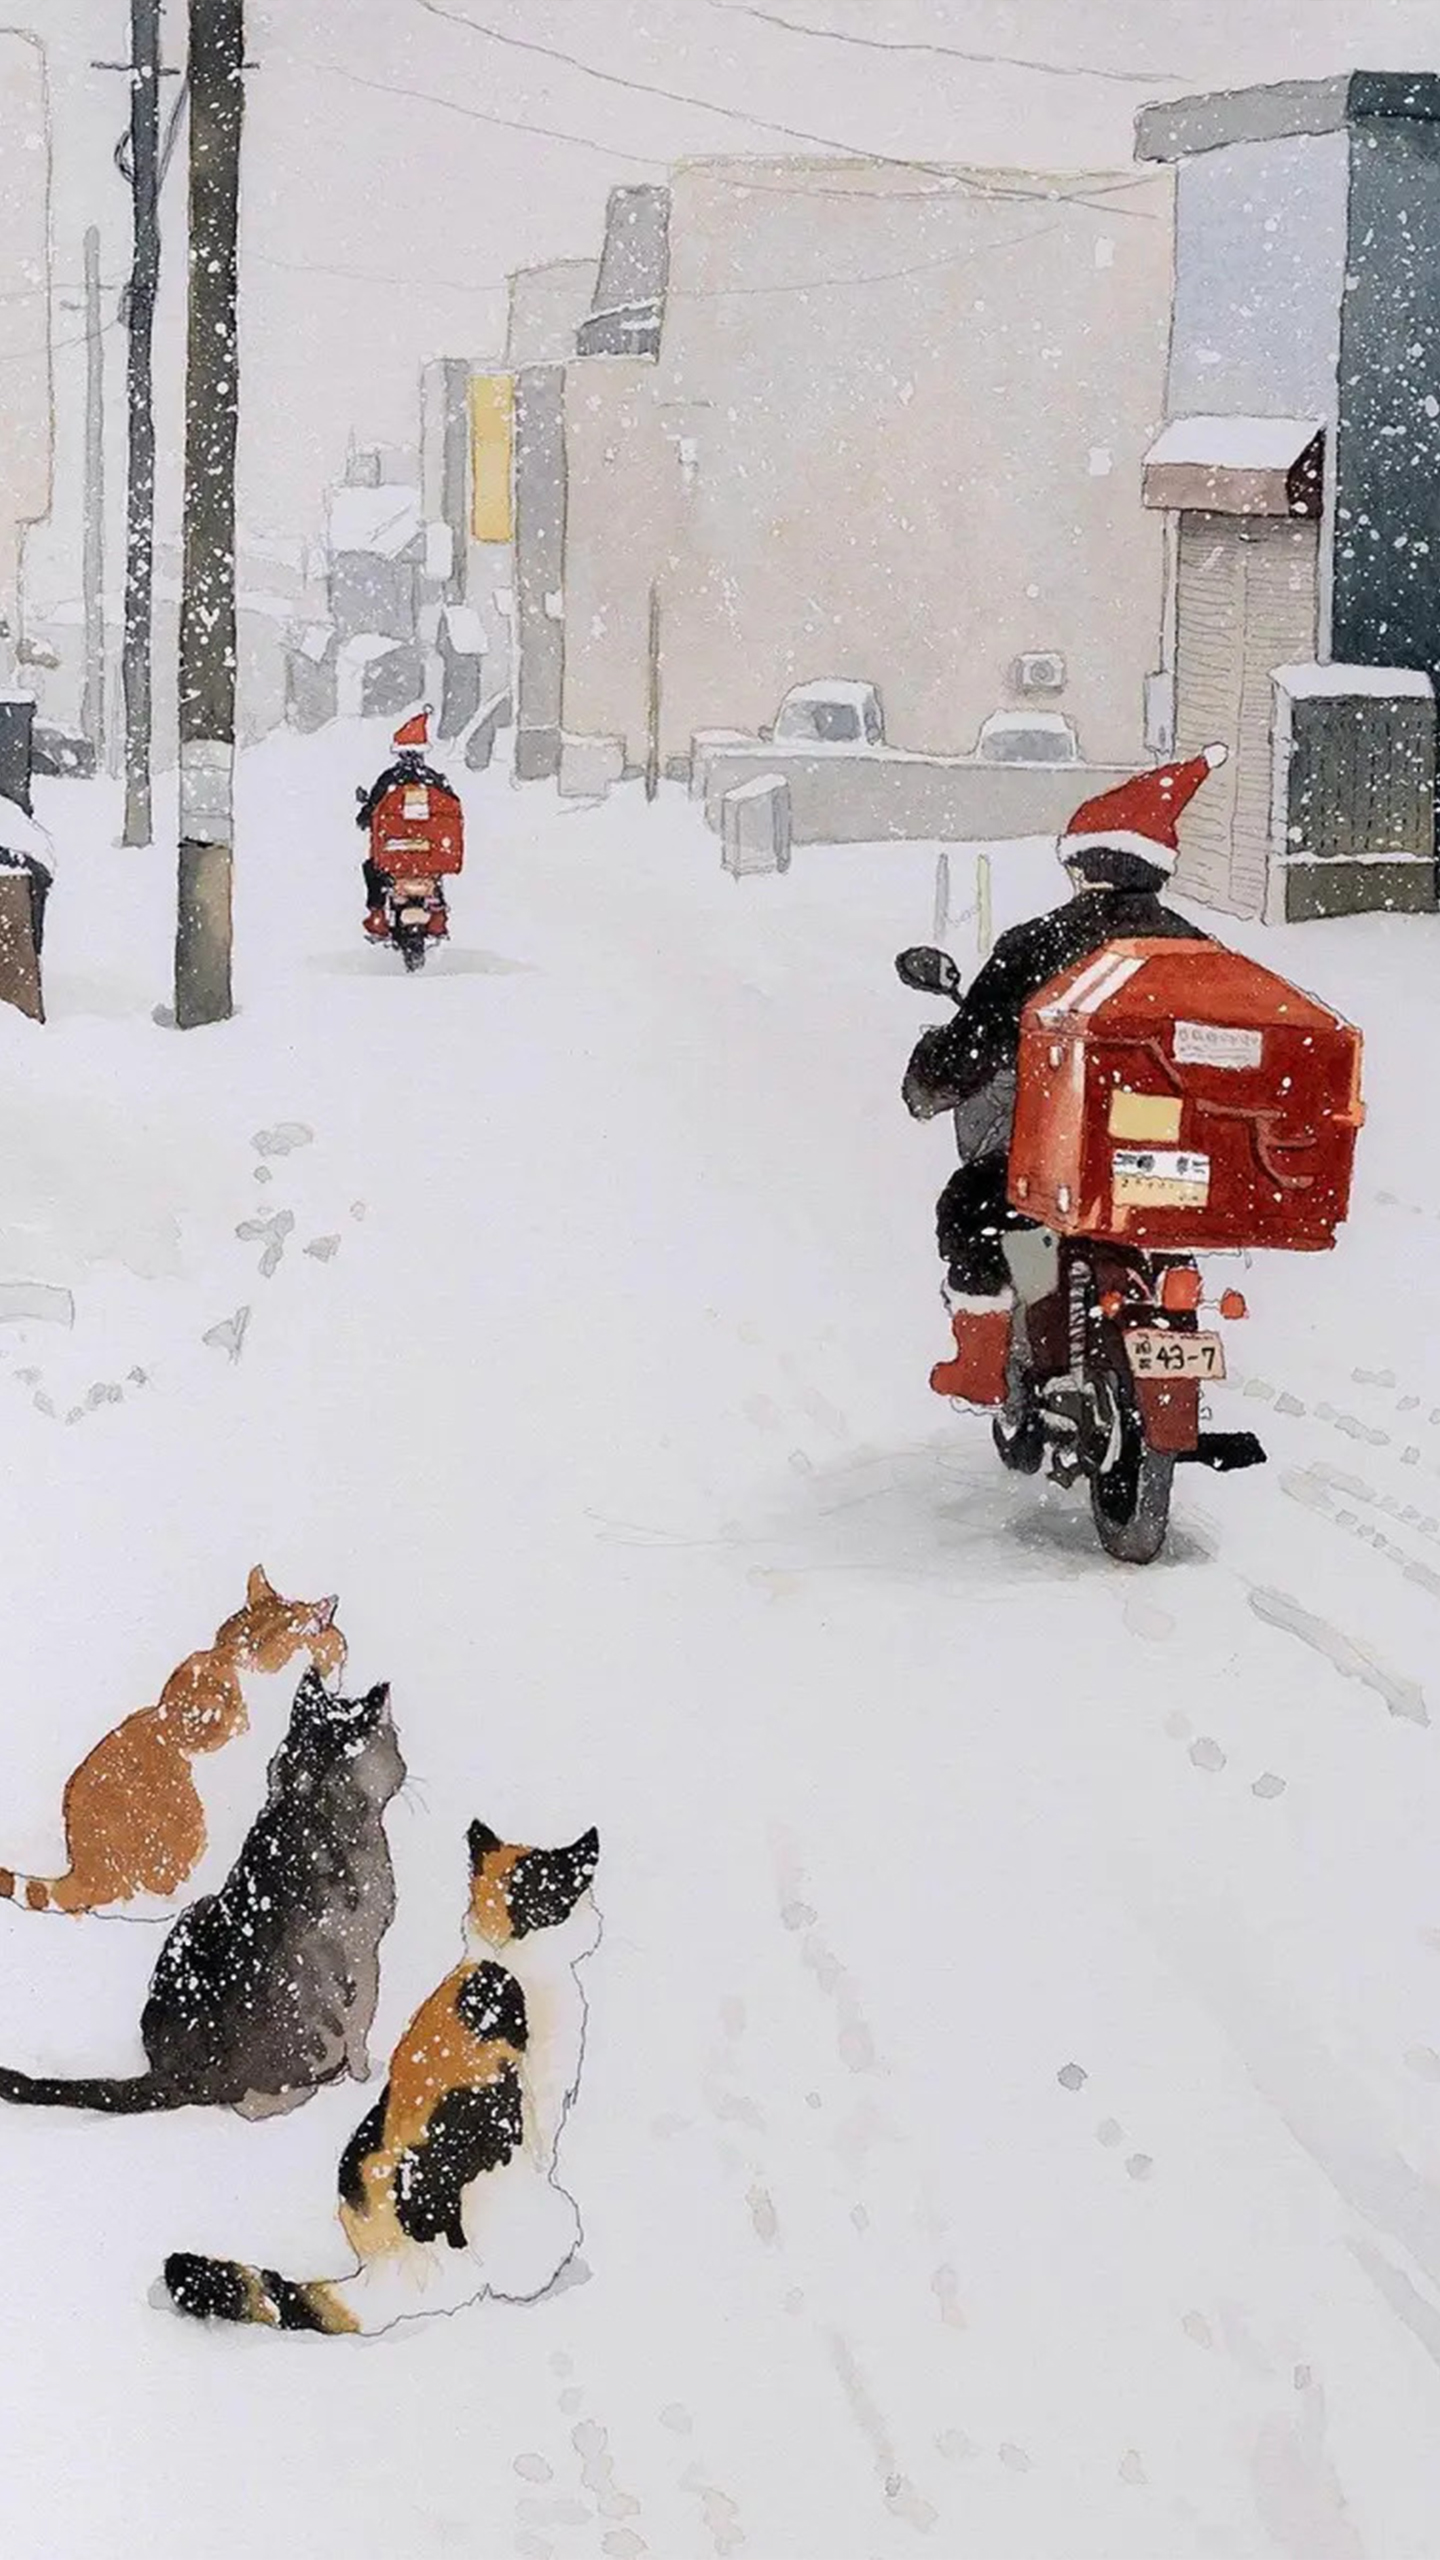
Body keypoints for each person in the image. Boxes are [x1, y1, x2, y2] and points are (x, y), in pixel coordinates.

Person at [903, 744, 1228, 1404]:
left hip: (1062, 1161)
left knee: (969, 1208)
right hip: (1170, 1171)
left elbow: (973, 1046)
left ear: (1085, 865)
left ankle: (980, 1366)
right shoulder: (1200, 953)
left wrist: (928, 1082)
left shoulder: (1038, 944)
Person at [355, 707, 455, 935]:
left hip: (395, 851)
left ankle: (377, 915)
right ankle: (438, 915)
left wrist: (365, 817)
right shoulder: (435, 780)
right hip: (428, 852)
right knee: (435, 874)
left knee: (372, 869)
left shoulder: (389, 779)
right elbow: (450, 811)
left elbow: (370, 812)